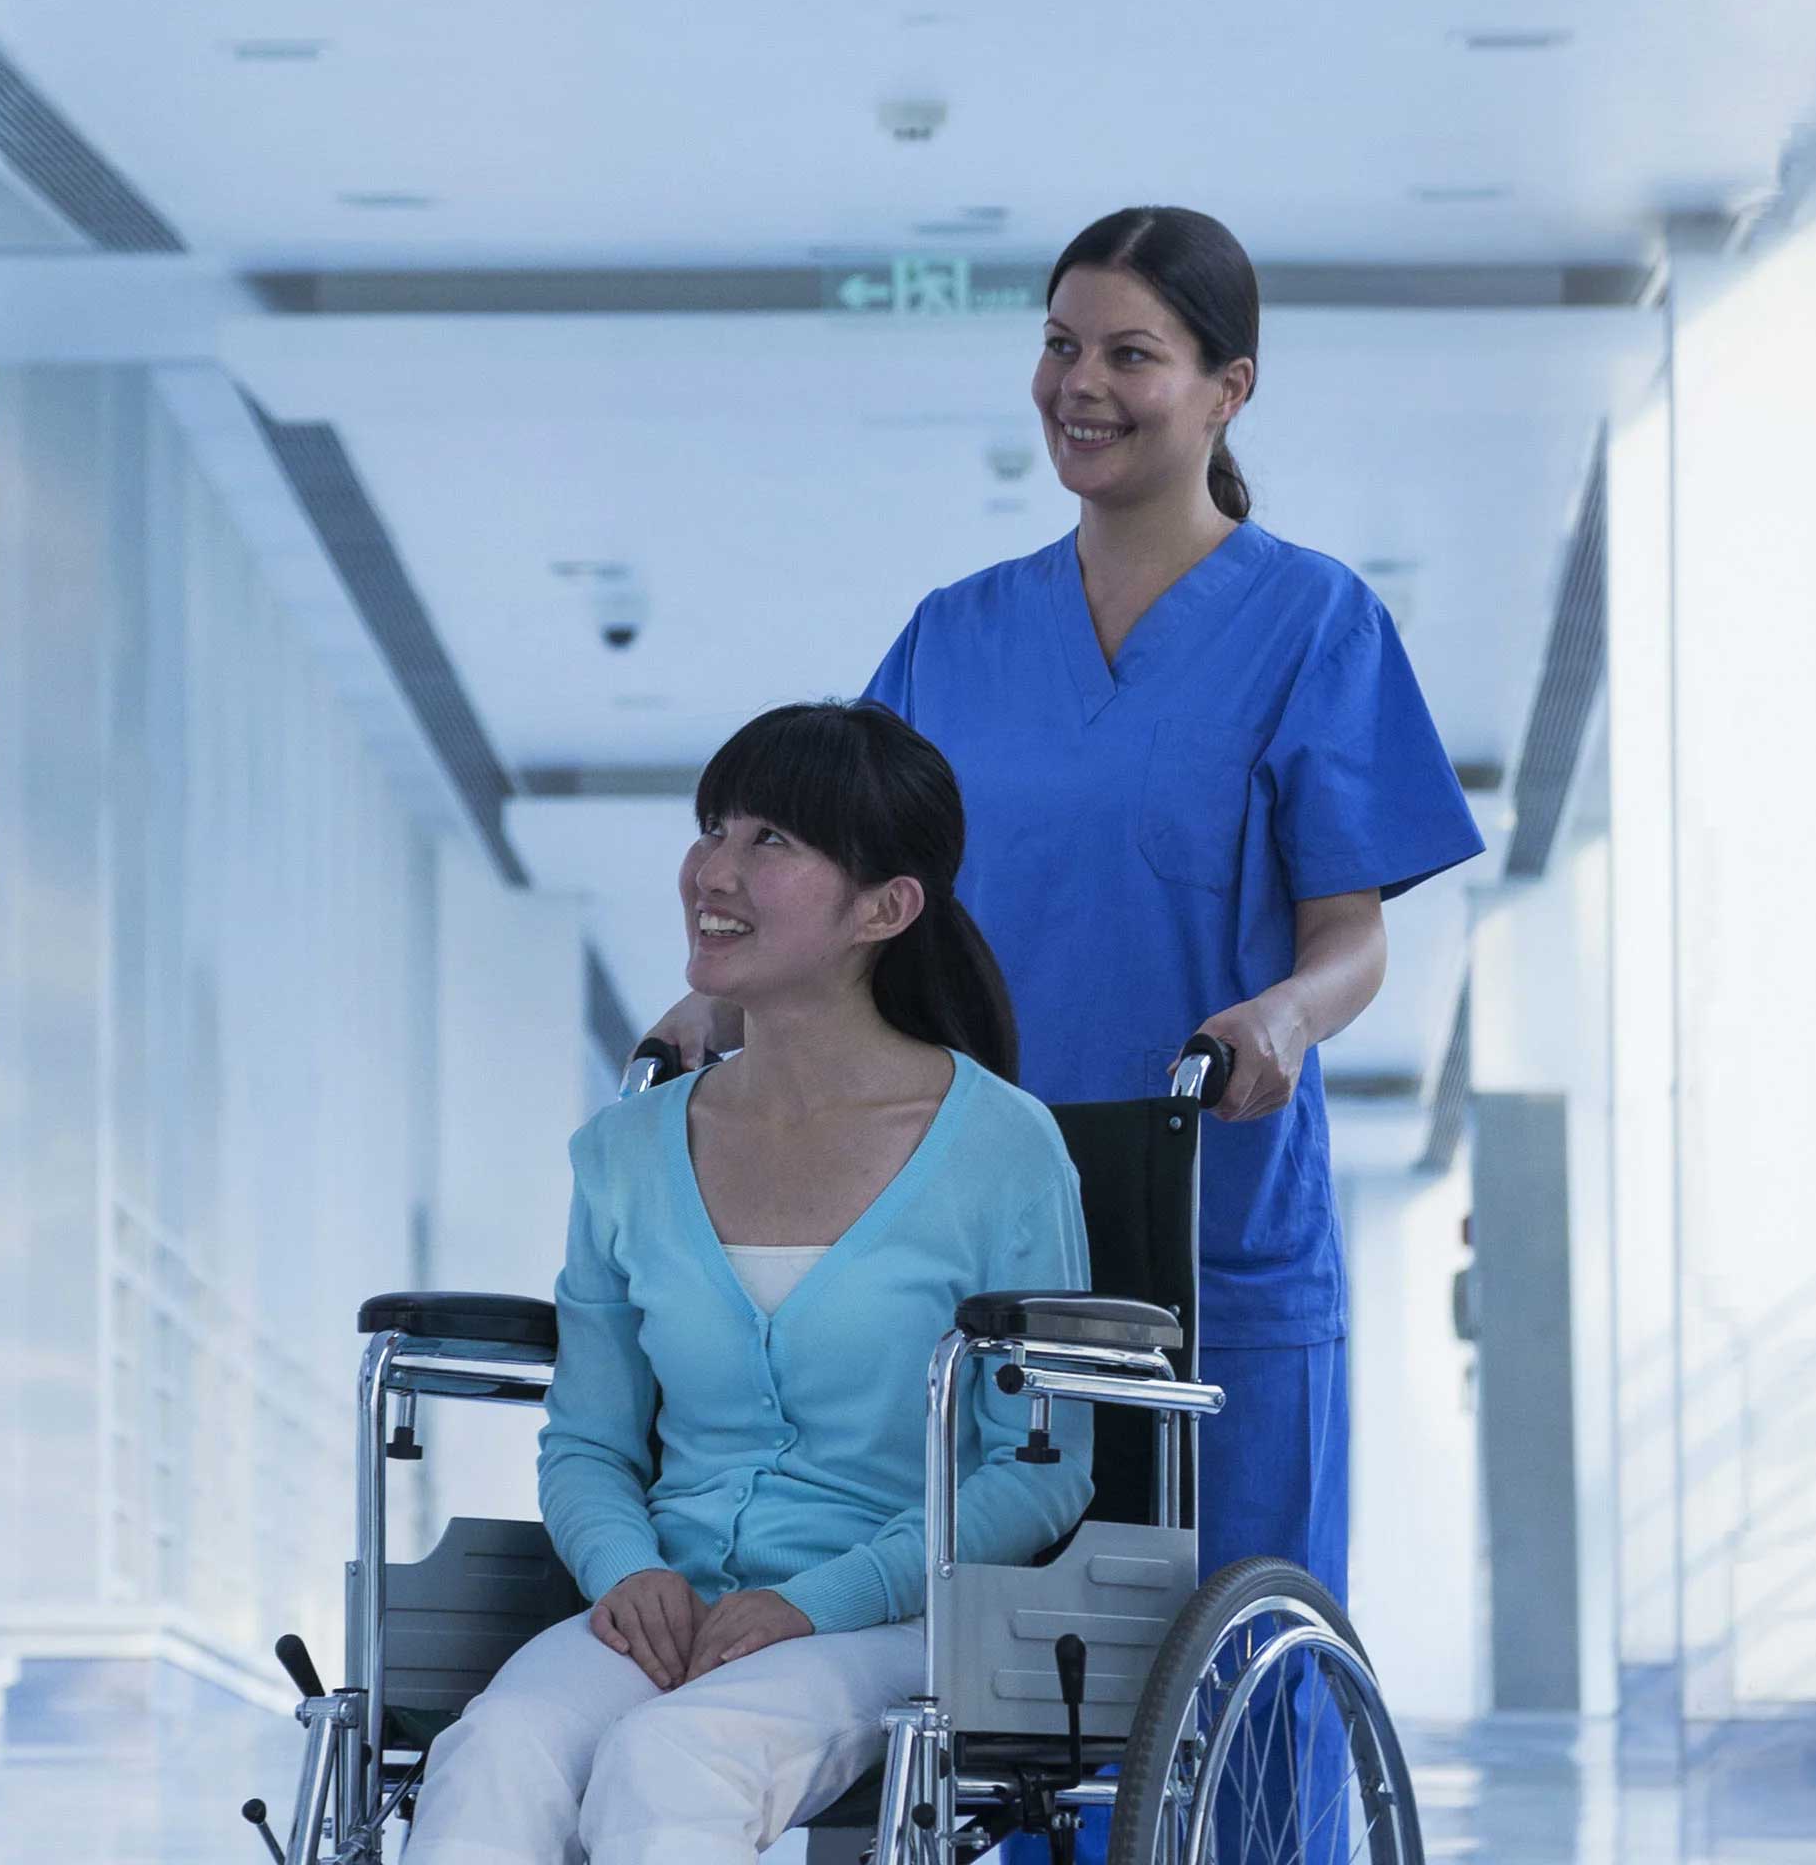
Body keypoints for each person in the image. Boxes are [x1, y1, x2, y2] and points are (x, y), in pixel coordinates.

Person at [644, 205, 1481, 1622]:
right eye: (1058, 345)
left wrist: (1285, 1012)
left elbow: (1351, 937)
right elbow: (847, 897)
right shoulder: (956, 635)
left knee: (1227, 1660)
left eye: (1131, 355)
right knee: (966, 1663)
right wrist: (718, 1003)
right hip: (960, 1212)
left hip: (1207, 1211)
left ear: (1230, 388)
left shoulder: (1315, 626)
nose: (1078, 385)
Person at [407, 702, 1090, 1865]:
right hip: (661, 1603)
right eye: (713, 826)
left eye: (770, 839)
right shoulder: (625, 1153)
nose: (713, 869)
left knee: (677, 1757)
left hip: (891, 1616)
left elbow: (1041, 1468)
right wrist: (628, 1572)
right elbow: (588, 1441)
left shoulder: (1001, 1150)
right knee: (497, 1751)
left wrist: (816, 1598)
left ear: (885, 907)